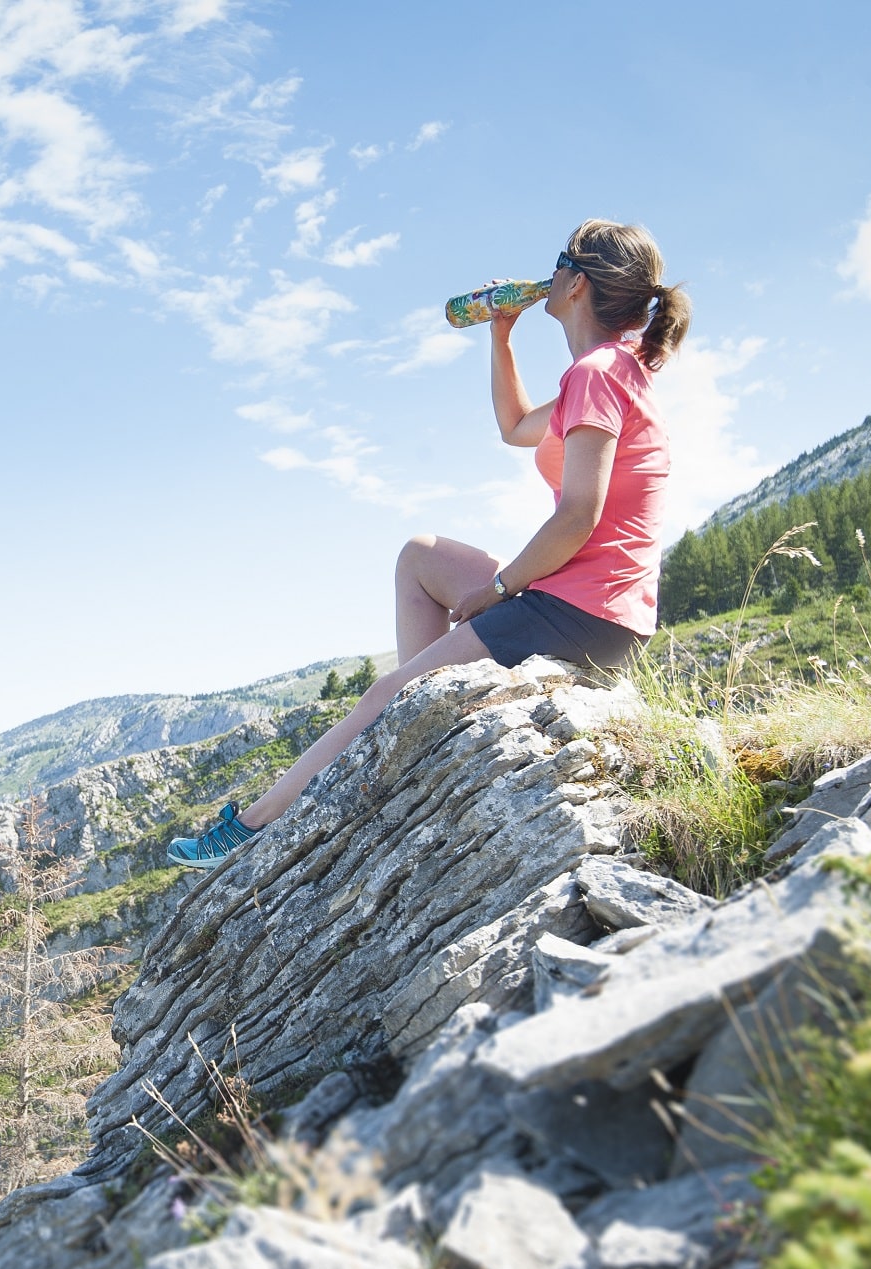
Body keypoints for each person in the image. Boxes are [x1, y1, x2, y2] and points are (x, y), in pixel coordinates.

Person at [169, 219, 691, 871]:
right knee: (421, 555)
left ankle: (252, 826)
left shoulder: (600, 371)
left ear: (576, 282)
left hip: (583, 611)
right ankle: (423, 724)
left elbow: (578, 514)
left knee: (381, 693)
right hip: (585, 599)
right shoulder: (602, 373)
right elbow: (514, 428)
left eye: (557, 262)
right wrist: (501, 333)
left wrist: (499, 590)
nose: (548, 274)